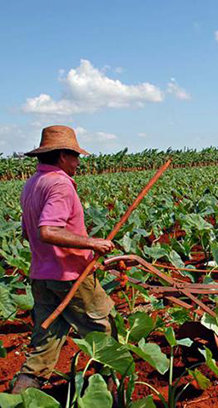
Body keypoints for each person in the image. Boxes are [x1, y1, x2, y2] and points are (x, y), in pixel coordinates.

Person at [11, 125, 116, 394]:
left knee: (45, 341)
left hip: (41, 276)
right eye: (75, 156)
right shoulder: (59, 183)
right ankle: (112, 394)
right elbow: (48, 230)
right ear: (61, 156)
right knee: (102, 330)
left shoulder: (33, 183)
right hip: (70, 276)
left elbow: (28, 231)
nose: (78, 162)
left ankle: (21, 394)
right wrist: (92, 242)